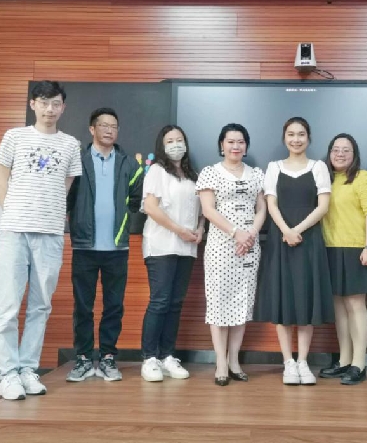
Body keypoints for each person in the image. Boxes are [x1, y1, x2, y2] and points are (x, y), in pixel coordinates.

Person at [0, 81, 82, 401]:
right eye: (44, 102)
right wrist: (13, 212)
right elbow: (0, 178)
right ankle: (8, 374)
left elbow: (66, 185)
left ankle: (28, 369)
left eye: (55, 103)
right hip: (14, 231)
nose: (50, 109)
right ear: (33, 104)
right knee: (8, 306)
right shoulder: (14, 136)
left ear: (63, 107)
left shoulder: (71, 144)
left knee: (41, 306)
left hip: (51, 233)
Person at [65, 108, 143, 383]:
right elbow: (67, 198)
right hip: (84, 247)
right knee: (83, 307)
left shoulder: (128, 163)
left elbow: (137, 199)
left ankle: (108, 357)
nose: (109, 130)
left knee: (114, 306)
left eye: (114, 126)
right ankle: (84, 358)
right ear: (92, 129)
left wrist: (123, 220)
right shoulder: (79, 160)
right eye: (104, 125)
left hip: (117, 249)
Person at [254, 117, 334, 386]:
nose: (296, 139)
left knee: (306, 299)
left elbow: (323, 207)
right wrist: (286, 231)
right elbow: (271, 204)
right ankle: (288, 361)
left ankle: (303, 361)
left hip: (309, 240)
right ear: (284, 138)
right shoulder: (273, 167)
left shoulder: (319, 167)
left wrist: (296, 230)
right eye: (291, 134)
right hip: (281, 240)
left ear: (308, 138)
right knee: (283, 299)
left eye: (301, 134)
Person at [196, 123, 266, 386]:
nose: (236, 146)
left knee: (242, 302)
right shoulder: (210, 173)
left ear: (246, 146)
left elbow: (261, 209)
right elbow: (208, 210)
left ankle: (235, 360)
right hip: (221, 247)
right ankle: (221, 363)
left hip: (249, 247)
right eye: (230, 141)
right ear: (221, 145)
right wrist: (236, 233)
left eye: (240, 142)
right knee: (218, 303)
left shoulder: (256, 174)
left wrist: (250, 234)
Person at [139, 125, 205, 382]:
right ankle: (149, 358)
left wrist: (200, 229)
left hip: (187, 247)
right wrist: (179, 231)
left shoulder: (192, 174)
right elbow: (151, 207)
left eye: (179, 140)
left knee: (176, 302)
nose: (176, 144)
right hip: (161, 245)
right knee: (160, 300)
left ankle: (167, 355)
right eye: (170, 141)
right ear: (162, 146)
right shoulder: (157, 170)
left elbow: (201, 210)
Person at [319, 134, 367, 386]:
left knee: (355, 305)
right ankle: (344, 360)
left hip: (356, 249)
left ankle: (359, 364)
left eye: (346, 150)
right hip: (329, 249)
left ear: (354, 154)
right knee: (338, 307)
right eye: (336, 149)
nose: (340, 154)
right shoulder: (324, 179)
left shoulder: (363, 178)